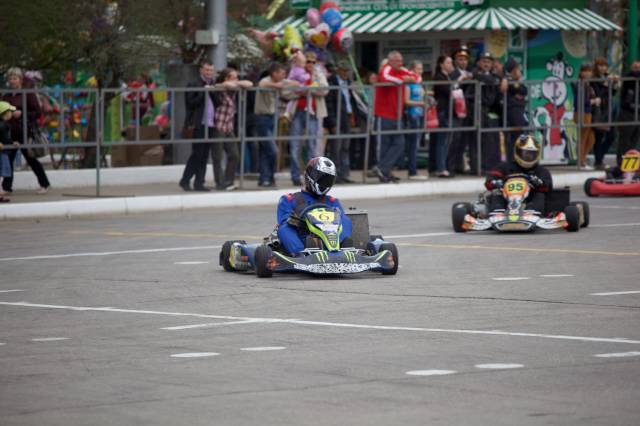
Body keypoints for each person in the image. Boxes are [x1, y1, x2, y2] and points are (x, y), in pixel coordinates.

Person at [276, 157, 352, 256]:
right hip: (303, 240)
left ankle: (341, 251)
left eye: (328, 180)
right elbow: (284, 221)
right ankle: (300, 254)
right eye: (322, 179)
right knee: (284, 228)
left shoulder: (332, 202)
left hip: (330, 239)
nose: (324, 183)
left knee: (345, 220)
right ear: (309, 177)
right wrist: (301, 220)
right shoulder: (289, 200)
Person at [1, 67, 50, 194]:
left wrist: (22, 113)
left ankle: (44, 184)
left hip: (25, 132)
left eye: (15, 78)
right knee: (8, 159)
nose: (12, 81)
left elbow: (38, 113)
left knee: (31, 159)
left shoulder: (27, 94)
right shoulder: (6, 95)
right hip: (9, 133)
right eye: (10, 78)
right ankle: (6, 187)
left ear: (20, 80)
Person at [373, 51, 416, 183]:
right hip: (384, 115)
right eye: (397, 60)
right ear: (390, 61)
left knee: (400, 143)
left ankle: (382, 168)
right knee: (384, 146)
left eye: (401, 60)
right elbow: (385, 78)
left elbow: (415, 77)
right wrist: (402, 80)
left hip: (397, 116)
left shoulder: (401, 70)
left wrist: (404, 77)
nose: (400, 63)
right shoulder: (386, 69)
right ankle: (384, 173)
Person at [254, 63, 299, 187]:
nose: (284, 76)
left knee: (265, 150)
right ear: (274, 73)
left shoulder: (280, 81)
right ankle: (268, 176)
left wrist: (295, 85)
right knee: (272, 150)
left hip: (272, 117)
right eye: (282, 73)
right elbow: (262, 84)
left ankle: (265, 178)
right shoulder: (266, 80)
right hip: (262, 118)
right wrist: (277, 85)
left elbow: (292, 83)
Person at [288, 51, 329, 186]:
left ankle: (311, 177)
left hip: (313, 113)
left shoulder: (318, 74)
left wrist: (306, 89)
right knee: (295, 145)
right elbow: (287, 91)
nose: (310, 64)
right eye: (308, 61)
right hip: (297, 112)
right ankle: (295, 176)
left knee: (312, 145)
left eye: (313, 62)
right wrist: (304, 90)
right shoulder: (296, 72)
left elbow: (325, 90)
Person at [484, 134, 552, 214]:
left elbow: (548, 187)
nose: (528, 156)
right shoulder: (505, 167)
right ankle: (497, 211)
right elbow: (489, 181)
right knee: (497, 192)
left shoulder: (541, 171)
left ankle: (533, 212)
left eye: (531, 154)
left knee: (539, 194)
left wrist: (538, 183)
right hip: (506, 202)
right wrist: (496, 182)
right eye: (525, 153)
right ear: (518, 152)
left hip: (530, 201)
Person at [210, 67, 253, 191]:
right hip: (218, 125)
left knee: (234, 155)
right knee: (217, 157)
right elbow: (225, 84)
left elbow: (249, 84)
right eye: (234, 77)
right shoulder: (221, 87)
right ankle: (220, 183)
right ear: (226, 78)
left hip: (228, 127)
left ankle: (228, 181)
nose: (237, 80)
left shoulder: (234, 88)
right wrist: (232, 83)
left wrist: (236, 83)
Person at [179, 60, 217, 192]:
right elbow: (190, 103)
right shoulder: (193, 84)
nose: (209, 73)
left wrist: (212, 91)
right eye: (207, 70)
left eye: (211, 70)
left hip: (210, 123)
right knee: (197, 154)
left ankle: (199, 183)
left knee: (205, 155)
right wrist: (203, 92)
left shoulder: (213, 84)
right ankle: (185, 180)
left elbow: (218, 103)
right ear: (201, 70)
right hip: (198, 124)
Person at [472, 52, 506, 173]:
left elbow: (498, 82)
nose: (486, 64)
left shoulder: (496, 76)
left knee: (493, 140)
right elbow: (482, 78)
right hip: (479, 111)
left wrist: (503, 79)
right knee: (478, 140)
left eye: (489, 62)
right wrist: (497, 80)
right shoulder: (475, 73)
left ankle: (493, 166)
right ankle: (479, 167)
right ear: (479, 63)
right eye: (484, 61)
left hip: (492, 111)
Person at [325, 60, 357, 183]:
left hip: (346, 117)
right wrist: (332, 123)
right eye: (343, 71)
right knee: (336, 148)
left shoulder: (348, 82)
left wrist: (352, 115)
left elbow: (350, 101)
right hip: (337, 117)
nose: (346, 73)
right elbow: (329, 104)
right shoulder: (332, 82)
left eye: (347, 71)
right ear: (338, 71)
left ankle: (344, 174)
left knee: (345, 147)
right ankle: (335, 175)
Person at [448, 46, 474, 175]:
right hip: (456, 110)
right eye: (460, 59)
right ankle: (451, 167)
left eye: (465, 59)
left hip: (468, 109)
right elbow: (452, 88)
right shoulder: (453, 73)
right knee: (455, 139)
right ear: (455, 60)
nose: (463, 62)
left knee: (464, 140)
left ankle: (460, 165)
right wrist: (461, 80)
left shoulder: (471, 72)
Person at [591, 57, 617, 170]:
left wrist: (614, 83)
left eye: (605, 65)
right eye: (600, 65)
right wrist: (606, 84)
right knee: (599, 136)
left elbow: (612, 93)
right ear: (596, 67)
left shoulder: (606, 77)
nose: (603, 68)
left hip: (608, 110)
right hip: (598, 110)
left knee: (612, 136)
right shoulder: (593, 79)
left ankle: (599, 158)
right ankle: (598, 161)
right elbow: (599, 94)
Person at [573, 63, 600, 169]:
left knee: (591, 138)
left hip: (588, 113)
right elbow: (581, 101)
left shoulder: (588, 84)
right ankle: (581, 161)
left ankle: (583, 159)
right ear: (581, 72)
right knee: (583, 137)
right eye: (585, 71)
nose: (588, 73)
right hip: (581, 113)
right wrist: (593, 101)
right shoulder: (579, 84)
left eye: (589, 71)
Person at [432, 55, 455, 178]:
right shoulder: (439, 77)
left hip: (449, 111)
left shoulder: (448, 76)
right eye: (448, 63)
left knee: (446, 141)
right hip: (442, 111)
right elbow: (449, 90)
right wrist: (459, 78)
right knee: (442, 141)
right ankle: (440, 168)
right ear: (441, 64)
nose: (450, 65)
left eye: (451, 63)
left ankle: (443, 166)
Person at [404, 60, 427, 180]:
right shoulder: (409, 84)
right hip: (412, 114)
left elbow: (423, 95)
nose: (421, 71)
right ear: (412, 70)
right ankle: (412, 171)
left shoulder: (419, 82)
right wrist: (421, 104)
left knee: (416, 144)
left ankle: (413, 170)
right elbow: (406, 101)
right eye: (418, 69)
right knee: (413, 144)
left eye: (421, 69)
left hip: (420, 114)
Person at [504, 57, 528, 163]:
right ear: (513, 70)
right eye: (517, 69)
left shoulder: (516, 81)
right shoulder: (509, 80)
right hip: (513, 113)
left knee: (520, 137)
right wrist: (518, 91)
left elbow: (525, 90)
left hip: (518, 111)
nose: (519, 71)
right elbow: (518, 89)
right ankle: (513, 161)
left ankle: (518, 159)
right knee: (514, 138)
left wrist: (519, 90)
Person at [616, 60, 640, 166]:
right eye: (635, 68)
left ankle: (630, 164)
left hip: (638, 113)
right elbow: (632, 75)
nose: (636, 71)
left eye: (638, 68)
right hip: (627, 112)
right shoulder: (628, 78)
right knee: (624, 139)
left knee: (635, 139)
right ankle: (621, 163)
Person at [0, 101, 19, 202]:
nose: (11, 113)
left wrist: (12, 142)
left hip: (4, 152)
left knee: (2, 175)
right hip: (1, 153)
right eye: (10, 111)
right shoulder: (2, 124)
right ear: (4, 113)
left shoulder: (6, 124)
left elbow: (6, 138)